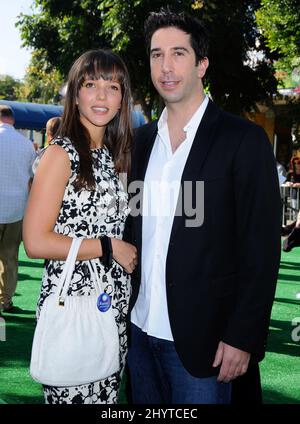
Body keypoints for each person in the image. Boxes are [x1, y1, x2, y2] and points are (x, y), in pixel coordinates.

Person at [126, 8, 281, 404]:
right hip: (139, 337)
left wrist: (243, 336)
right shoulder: (138, 143)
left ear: (202, 64)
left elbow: (260, 250)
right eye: (157, 54)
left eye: (179, 53)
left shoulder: (242, 140)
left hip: (206, 347)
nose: (166, 66)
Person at [23, 49, 137, 404]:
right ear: (75, 93)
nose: (102, 95)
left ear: (122, 99)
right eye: (91, 84)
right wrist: (107, 246)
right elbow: (35, 241)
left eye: (113, 86)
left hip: (112, 305)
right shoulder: (61, 153)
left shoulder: (111, 154)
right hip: (73, 305)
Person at [0, 105, 36, 314]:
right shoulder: (26, 145)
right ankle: (6, 300)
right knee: (10, 257)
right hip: (16, 208)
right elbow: (33, 178)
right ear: (12, 120)